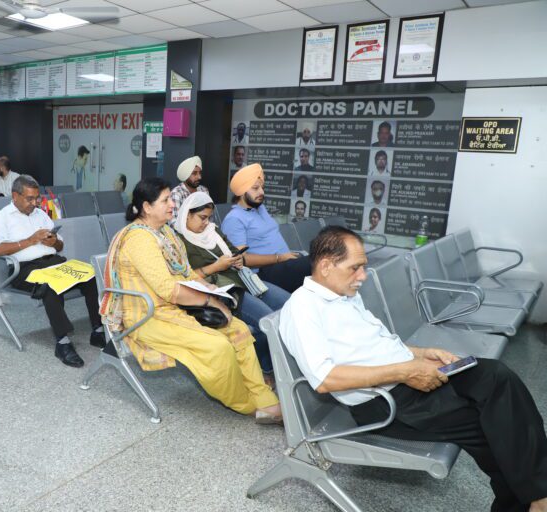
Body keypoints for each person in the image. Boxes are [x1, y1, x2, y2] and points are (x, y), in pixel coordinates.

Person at [280, 226, 547, 512]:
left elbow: (377, 348)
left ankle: (535, 498)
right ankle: (537, 500)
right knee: (492, 424)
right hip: (387, 403)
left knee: (496, 376)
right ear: (325, 266)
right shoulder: (303, 308)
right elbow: (325, 379)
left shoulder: (345, 296)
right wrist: (405, 371)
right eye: (355, 268)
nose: (363, 276)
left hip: (405, 378)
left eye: (364, 267)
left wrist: (421, 353)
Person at [100, 177, 281, 422]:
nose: (172, 205)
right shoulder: (139, 239)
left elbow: (186, 273)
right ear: (146, 207)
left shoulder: (165, 233)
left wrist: (212, 291)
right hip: (148, 316)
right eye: (165, 201)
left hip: (175, 307)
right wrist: (210, 302)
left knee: (238, 329)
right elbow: (167, 288)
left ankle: (263, 396)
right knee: (216, 347)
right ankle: (248, 404)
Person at [0, 175, 105, 368]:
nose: (34, 203)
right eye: (29, 199)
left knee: (91, 276)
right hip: (23, 269)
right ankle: (62, 342)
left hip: (52, 261)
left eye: (36, 198)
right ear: (15, 195)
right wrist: (30, 240)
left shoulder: (40, 214)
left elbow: (59, 245)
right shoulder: (2, 217)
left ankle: (98, 330)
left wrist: (54, 242)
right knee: (50, 288)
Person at [175, 191, 291, 384]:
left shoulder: (213, 231)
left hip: (243, 279)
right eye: (201, 218)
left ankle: (279, 364)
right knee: (269, 322)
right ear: (187, 214)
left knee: (289, 306)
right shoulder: (179, 241)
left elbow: (233, 250)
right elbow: (185, 277)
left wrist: (237, 259)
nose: (206, 222)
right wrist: (217, 266)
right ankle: (266, 369)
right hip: (222, 291)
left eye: (208, 217)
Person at [221, 164, 312, 294]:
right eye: (255, 188)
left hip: (283, 264)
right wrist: (279, 258)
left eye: (262, 188)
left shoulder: (259, 208)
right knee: (317, 263)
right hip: (263, 273)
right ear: (242, 192)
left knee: (324, 259)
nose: (261, 192)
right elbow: (240, 259)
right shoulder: (234, 219)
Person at [169, 156, 209, 225]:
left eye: (200, 173)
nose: (199, 177)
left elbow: (209, 217)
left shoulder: (204, 191)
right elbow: (174, 223)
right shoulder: (177, 193)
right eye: (194, 173)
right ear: (185, 175)